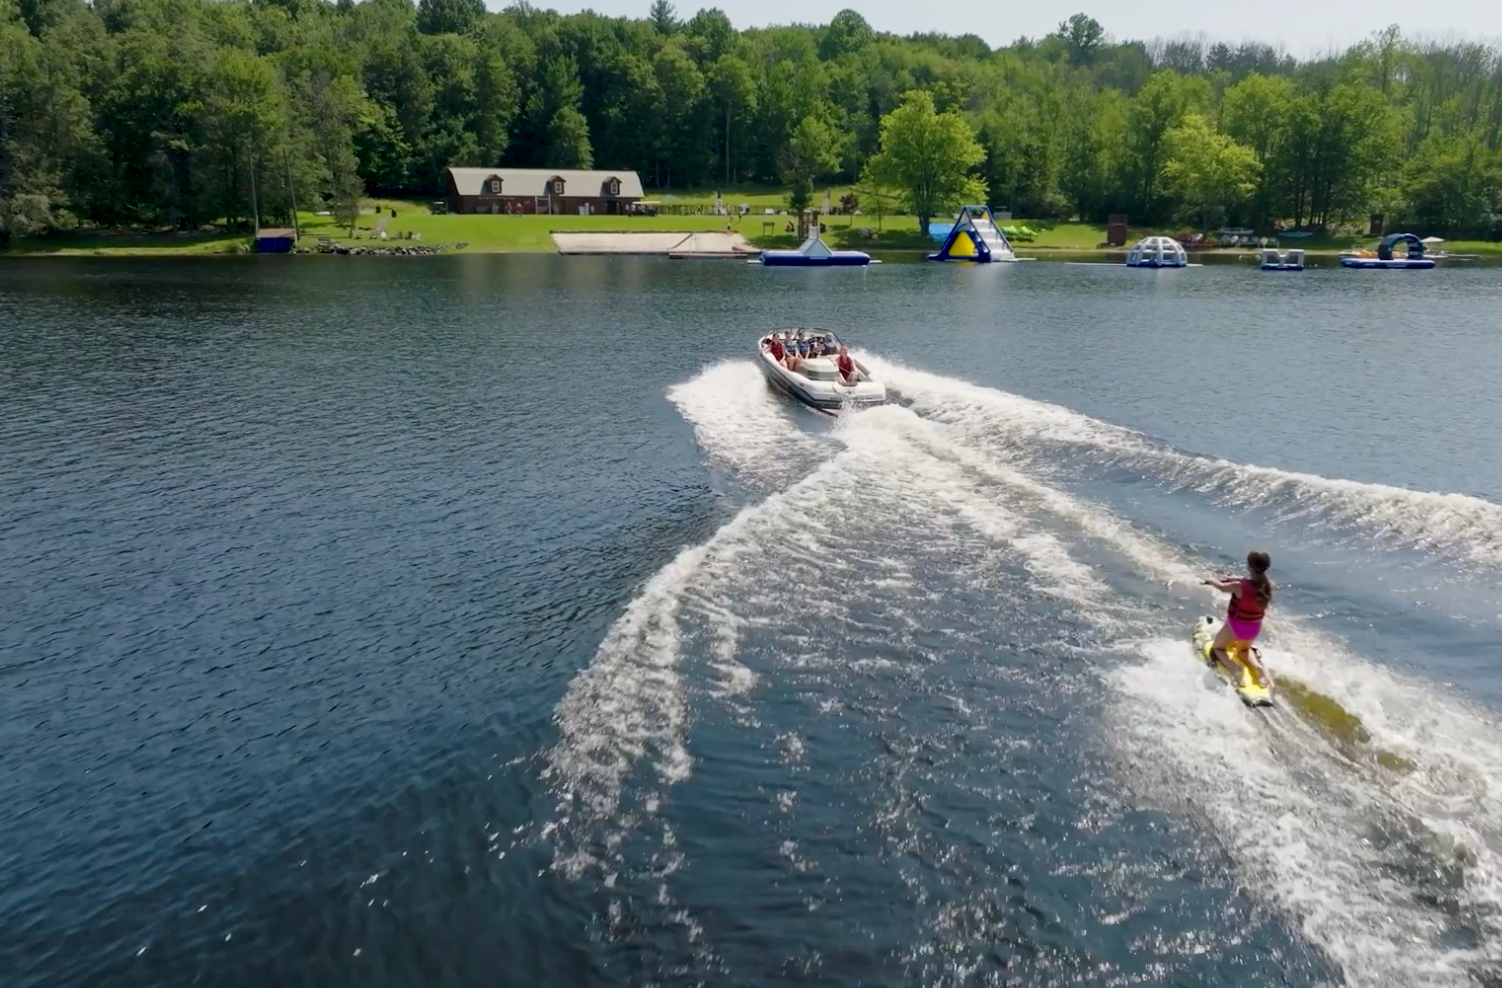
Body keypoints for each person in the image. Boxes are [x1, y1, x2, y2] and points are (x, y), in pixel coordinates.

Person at [1202, 550, 1274, 687]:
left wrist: (1212, 580)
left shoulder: (1238, 586)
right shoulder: (1267, 586)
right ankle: (1258, 668)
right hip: (1253, 628)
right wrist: (1234, 578)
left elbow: (1222, 588)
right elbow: (1250, 584)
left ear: (1249, 566)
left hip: (1235, 627)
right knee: (1243, 650)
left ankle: (1235, 668)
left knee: (1218, 648)